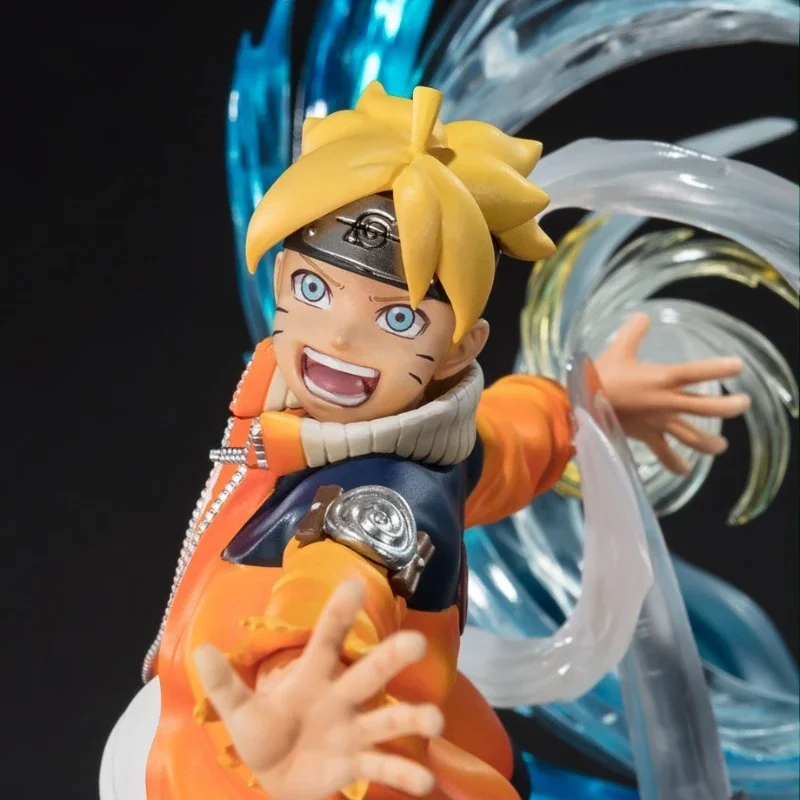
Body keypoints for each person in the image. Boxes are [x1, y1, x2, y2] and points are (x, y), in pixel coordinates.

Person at [102, 82, 749, 800]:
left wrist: (300, 685)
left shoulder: (387, 497)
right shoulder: (337, 416)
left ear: (458, 349)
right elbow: (507, 437)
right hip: (240, 738)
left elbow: (337, 588)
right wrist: (584, 406)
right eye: (314, 290)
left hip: (298, 746)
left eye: (399, 319)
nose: (341, 336)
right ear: (283, 279)